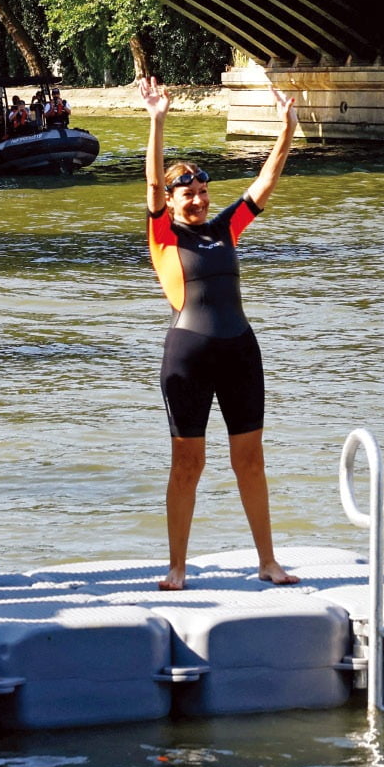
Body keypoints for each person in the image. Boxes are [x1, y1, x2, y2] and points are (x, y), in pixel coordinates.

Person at [139, 76, 299, 592]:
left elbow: (265, 182)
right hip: (188, 355)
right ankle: (177, 567)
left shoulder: (225, 228)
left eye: (204, 193)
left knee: (250, 457)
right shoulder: (164, 233)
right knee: (190, 460)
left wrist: (287, 128)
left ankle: (268, 561)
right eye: (190, 193)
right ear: (171, 199)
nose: (200, 201)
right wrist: (157, 120)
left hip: (239, 351)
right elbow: (150, 185)